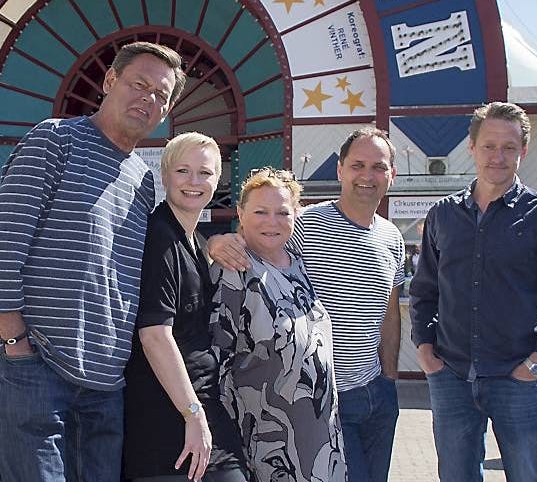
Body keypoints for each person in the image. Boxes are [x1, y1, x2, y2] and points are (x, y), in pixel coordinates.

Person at [0, 41, 186, 482]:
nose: (148, 99)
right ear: (110, 81)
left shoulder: (142, 180)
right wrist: (15, 344)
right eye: (139, 84)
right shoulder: (55, 140)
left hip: (105, 384)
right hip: (36, 368)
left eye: (160, 95)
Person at [209, 128, 405, 482]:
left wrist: (389, 377)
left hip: (377, 394)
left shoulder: (392, 237)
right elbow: (256, 241)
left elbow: (389, 313)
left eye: (378, 166)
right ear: (340, 169)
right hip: (325, 403)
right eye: (358, 165)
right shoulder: (304, 224)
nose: (367, 175)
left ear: (391, 173)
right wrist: (216, 243)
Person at [410, 101, 537, 482]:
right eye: (489, 146)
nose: (498, 156)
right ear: (472, 147)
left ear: (524, 150)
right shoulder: (443, 215)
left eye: (509, 147)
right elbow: (424, 291)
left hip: (518, 377)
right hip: (451, 376)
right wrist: (425, 351)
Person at [123, 133, 247, 482]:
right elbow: (154, 336)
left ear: (217, 180)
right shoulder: (160, 237)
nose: (194, 182)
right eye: (183, 171)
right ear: (164, 176)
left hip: (198, 404)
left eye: (205, 173)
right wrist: (192, 414)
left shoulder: (190, 239)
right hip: (166, 421)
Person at [212, 168, 346, 482]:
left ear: (296, 214)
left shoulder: (298, 264)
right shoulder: (234, 269)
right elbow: (217, 362)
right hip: (269, 444)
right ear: (240, 214)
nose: (271, 221)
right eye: (260, 212)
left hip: (319, 437)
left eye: (282, 212)